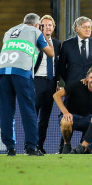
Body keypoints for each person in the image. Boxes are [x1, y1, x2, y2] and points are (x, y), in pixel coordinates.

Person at [0, 13, 54, 156]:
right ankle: (31, 147)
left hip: (2, 70)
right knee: (28, 109)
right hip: (21, 71)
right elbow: (51, 53)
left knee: (6, 111)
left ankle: (10, 147)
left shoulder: (9, 31)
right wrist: (43, 34)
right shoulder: (35, 31)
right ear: (37, 24)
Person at [53, 66, 92, 154]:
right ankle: (67, 145)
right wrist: (65, 112)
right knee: (65, 122)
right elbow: (56, 95)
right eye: (91, 77)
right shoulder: (76, 85)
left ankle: (84, 146)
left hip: (88, 119)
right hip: (72, 117)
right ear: (87, 78)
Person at [32, 14, 60, 154]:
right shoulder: (35, 42)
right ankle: (29, 146)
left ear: (53, 28)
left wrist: (58, 81)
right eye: (44, 25)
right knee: (33, 115)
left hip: (51, 82)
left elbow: (58, 64)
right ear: (39, 27)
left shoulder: (57, 44)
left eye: (50, 25)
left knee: (45, 118)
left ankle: (39, 146)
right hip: (37, 80)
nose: (47, 27)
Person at [58, 16, 92, 85]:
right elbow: (61, 67)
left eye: (89, 27)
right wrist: (69, 80)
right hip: (72, 86)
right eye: (84, 27)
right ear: (77, 29)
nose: (88, 29)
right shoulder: (67, 44)